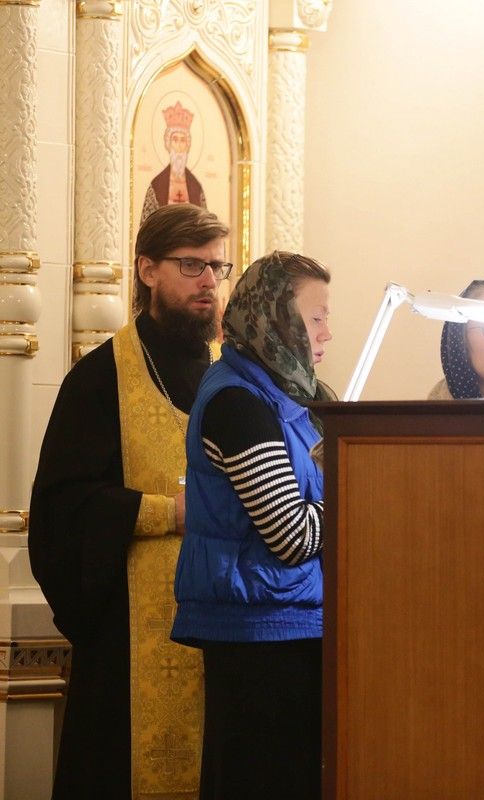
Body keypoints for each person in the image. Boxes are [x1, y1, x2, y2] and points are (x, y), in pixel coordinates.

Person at [29, 203, 230, 799]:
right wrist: (168, 512)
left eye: (218, 267)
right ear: (147, 270)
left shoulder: (231, 378)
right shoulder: (98, 380)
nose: (209, 282)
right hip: (126, 642)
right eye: (192, 265)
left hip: (225, 635)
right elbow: (63, 513)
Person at [169, 251, 332, 800]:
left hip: (286, 620)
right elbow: (293, 537)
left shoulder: (286, 395)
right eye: (315, 318)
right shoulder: (239, 403)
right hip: (261, 634)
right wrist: (362, 499)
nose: (326, 333)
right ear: (274, 318)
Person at [141, 101, 208, 223]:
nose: (179, 146)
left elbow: (205, 226)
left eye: (183, 140)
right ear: (168, 144)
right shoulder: (156, 186)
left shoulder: (196, 187)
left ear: (188, 145)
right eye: (175, 140)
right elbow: (147, 226)